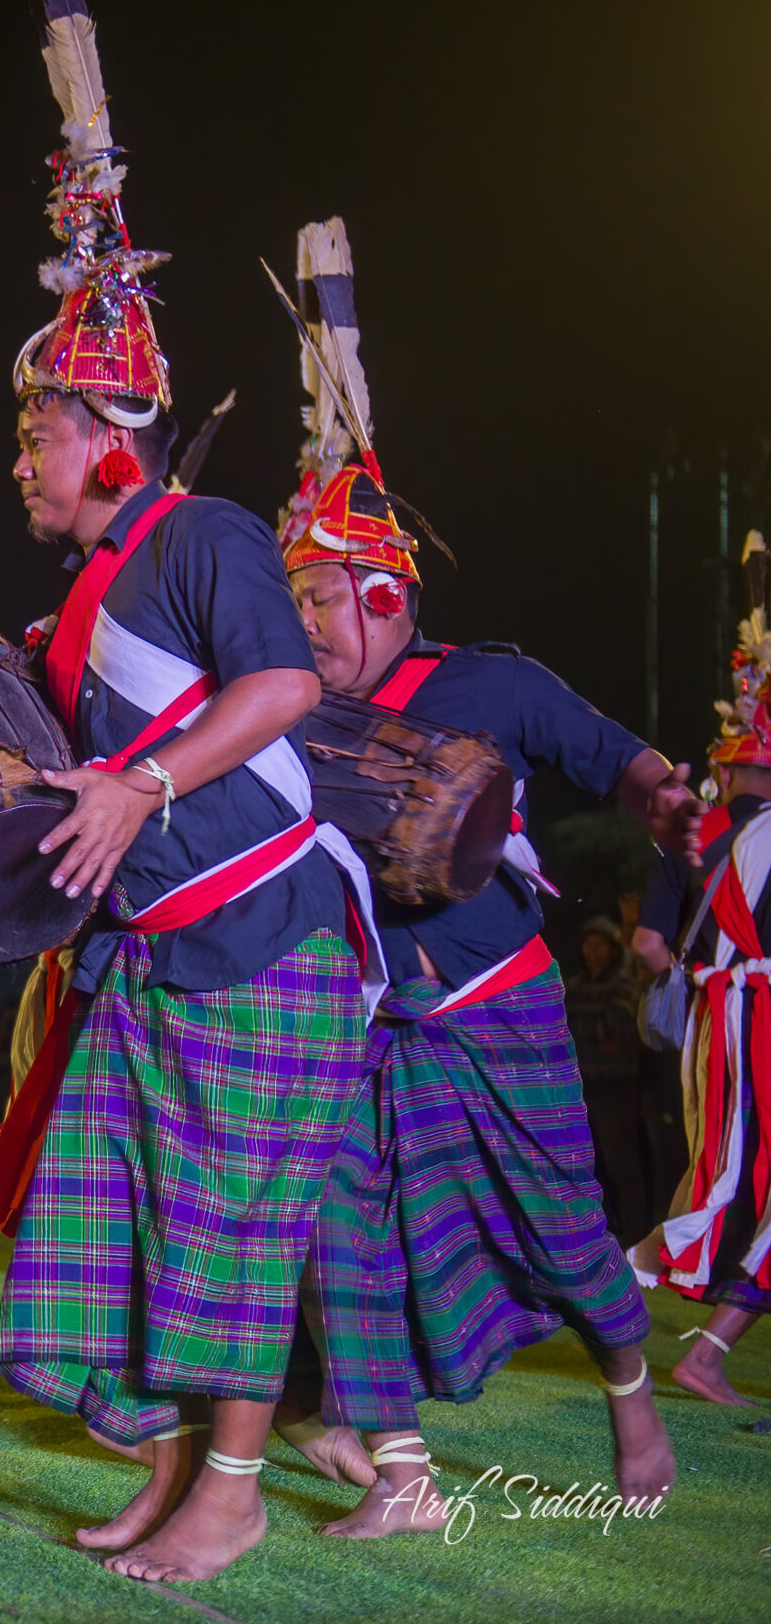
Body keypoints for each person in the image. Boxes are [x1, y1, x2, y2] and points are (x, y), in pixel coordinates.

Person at [0, 0, 376, 1584]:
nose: (19, 456)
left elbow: (280, 691)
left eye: (34, 429)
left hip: (264, 927)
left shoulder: (202, 531)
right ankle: (163, 1468)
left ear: (106, 431)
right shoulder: (74, 596)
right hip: (150, 951)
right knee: (113, 1217)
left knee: (227, 1225)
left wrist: (145, 779)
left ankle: (234, 1486)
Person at [264, 217, 687, 1537]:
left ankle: (628, 1377)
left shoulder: (488, 682)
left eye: (319, 599)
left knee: (565, 1225)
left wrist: (666, 795)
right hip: (365, 1018)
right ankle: (402, 1471)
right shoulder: (285, 713)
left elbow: (616, 757)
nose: (302, 623)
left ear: (383, 595)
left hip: (497, 1006)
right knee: (349, 1231)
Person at [642, 549, 771, 1404]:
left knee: (723, 1175)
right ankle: (618, 1281)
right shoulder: (748, 836)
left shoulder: (693, 831)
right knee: (726, 1181)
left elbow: (651, 944)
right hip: (748, 1015)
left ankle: (698, 1340)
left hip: (713, 1015)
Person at [568, 915, 684, 1246]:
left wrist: (593, 1033)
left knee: (623, 1162)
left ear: (613, 950)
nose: (592, 952)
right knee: (588, 1163)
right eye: (588, 944)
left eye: (600, 945)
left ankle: (636, 1231)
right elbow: (568, 1031)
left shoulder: (626, 989)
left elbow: (623, 1032)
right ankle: (597, 1228)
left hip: (617, 1087)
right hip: (581, 1087)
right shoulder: (573, 988)